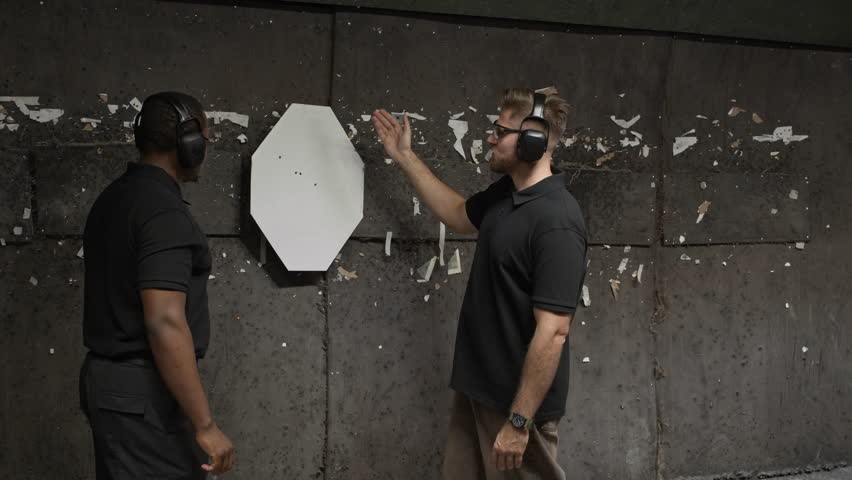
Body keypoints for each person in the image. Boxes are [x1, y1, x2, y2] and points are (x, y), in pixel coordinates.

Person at [373, 88, 587, 479]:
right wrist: (404, 156)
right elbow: (458, 215)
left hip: (516, 407)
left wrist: (519, 423)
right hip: (479, 391)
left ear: (533, 140)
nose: (490, 138)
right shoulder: (508, 195)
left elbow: (554, 332)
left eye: (501, 131)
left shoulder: (557, 222)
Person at [80, 92, 235, 479]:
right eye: (205, 140)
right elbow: (163, 321)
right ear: (190, 143)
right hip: (141, 391)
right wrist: (205, 425)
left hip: (112, 385)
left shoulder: (115, 198)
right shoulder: (163, 212)